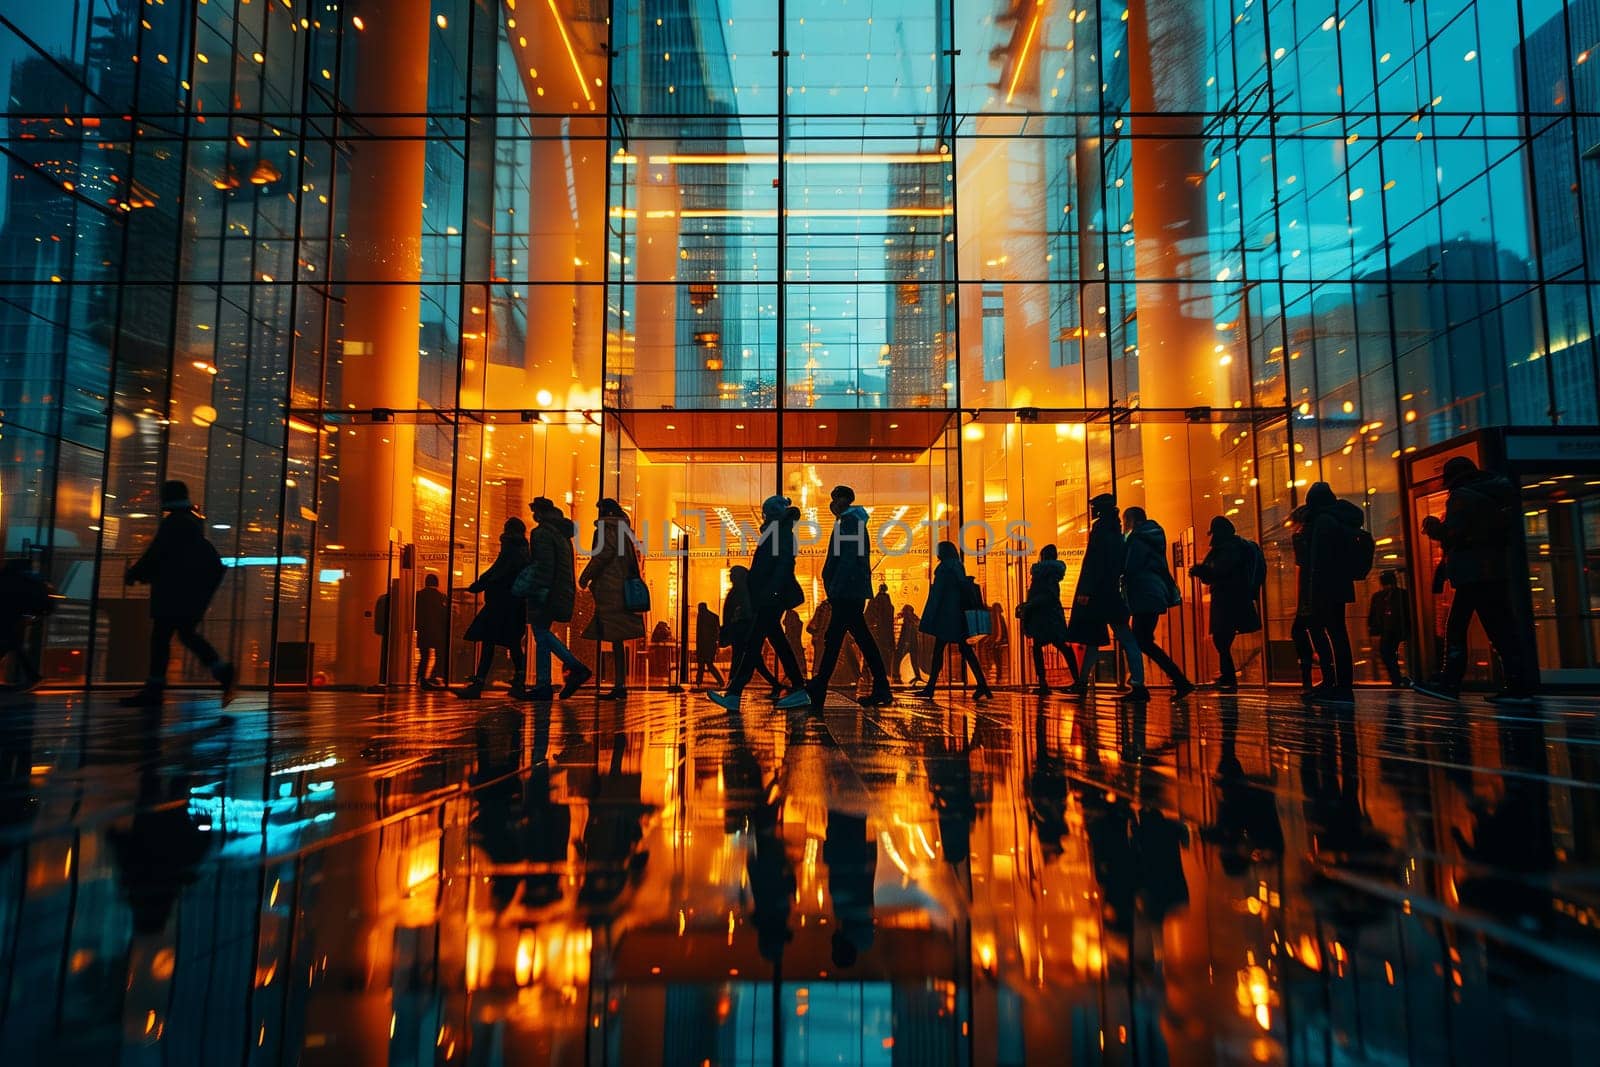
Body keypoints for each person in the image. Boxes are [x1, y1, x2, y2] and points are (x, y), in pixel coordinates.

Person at [1414, 457, 1537, 703]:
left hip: (1473, 573)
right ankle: (1518, 683)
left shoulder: (1462, 496)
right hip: (1494, 570)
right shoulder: (1495, 491)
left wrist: (1434, 527)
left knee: (1457, 627)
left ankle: (1450, 682)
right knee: (1501, 628)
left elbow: (1454, 534)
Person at [119, 480, 233, 707]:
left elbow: (156, 554)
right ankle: (221, 671)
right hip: (189, 592)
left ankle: (155, 689)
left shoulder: (174, 523)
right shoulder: (191, 522)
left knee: (161, 637)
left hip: (173, 592)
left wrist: (134, 573)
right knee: (184, 634)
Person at [785, 486, 893, 710]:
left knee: (837, 639)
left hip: (847, 591)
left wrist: (835, 588)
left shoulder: (850, 522)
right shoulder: (849, 521)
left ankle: (821, 686)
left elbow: (848, 557)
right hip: (849, 590)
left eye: (835, 498)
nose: (832, 503)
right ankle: (877, 686)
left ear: (844, 500)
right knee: (850, 638)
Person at [710, 496, 809, 712]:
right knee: (774, 644)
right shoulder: (777, 532)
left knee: (753, 644)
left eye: (766, 512)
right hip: (769, 597)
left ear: (772, 513)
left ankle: (734, 694)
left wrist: (770, 592)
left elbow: (783, 565)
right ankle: (799, 688)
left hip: (769, 598)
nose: (764, 516)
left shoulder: (779, 533)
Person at [1066, 494, 1147, 700]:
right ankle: (1083, 682)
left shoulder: (1103, 531)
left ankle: (1137, 685)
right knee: (1110, 637)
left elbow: (1094, 564)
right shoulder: (1114, 531)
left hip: (1102, 595)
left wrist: (1086, 591)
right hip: (1108, 593)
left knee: (1120, 637)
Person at [1294, 481, 1365, 703]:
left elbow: (1316, 560)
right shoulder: (1338, 518)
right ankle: (1341, 683)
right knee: (1337, 633)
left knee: (1320, 630)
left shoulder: (1322, 522)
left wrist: (1310, 591)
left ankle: (1332, 681)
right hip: (1339, 585)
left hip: (1322, 587)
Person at [1121, 506, 1195, 698]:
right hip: (1154, 592)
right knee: (1143, 640)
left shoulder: (1137, 539)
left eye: (1125, 521)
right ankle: (1178, 681)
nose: (1124, 525)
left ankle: (1178, 681)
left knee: (1141, 640)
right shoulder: (1153, 537)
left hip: (1143, 592)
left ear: (1132, 520)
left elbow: (1130, 566)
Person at [524, 497, 591, 701]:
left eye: (535, 511)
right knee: (541, 635)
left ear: (541, 513)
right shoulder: (562, 535)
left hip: (547, 591)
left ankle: (576, 667)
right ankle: (543, 683)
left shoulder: (542, 533)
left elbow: (543, 566)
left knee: (541, 632)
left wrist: (538, 590)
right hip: (560, 591)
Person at [580, 498, 646, 700]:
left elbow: (602, 554)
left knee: (611, 634)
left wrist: (586, 575)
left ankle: (615, 683)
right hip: (621, 586)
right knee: (615, 637)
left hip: (610, 587)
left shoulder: (606, 528)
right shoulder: (626, 531)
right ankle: (619, 683)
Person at [457, 517, 530, 700]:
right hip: (516, 604)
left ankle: (479, 683)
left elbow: (497, 571)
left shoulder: (509, 547)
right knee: (513, 644)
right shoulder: (524, 550)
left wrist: (480, 583)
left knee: (488, 642)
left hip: (499, 603)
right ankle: (519, 681)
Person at [913, 541, 992, 700]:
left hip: (946, 616)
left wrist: (930, 615)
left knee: (938, 652)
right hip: (958, 615)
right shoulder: (958, 566)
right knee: (965, 650)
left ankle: (930, 688)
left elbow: (938, 595)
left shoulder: (944, 569)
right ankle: (983, 685)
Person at [1191, 516, 1263, 692]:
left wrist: (1202, 571)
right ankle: (1227, 676)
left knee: (1221, 638)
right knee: (1223, 638)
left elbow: (1219, 571)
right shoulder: (1237, 546)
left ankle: (1228, 676)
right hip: (1234, 598)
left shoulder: (1228, 549)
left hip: (1227, 599)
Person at [1020, 544, 1081, 696]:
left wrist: (1028, 605)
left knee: (1038, 647)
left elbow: (1041, 595)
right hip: (1053, 615)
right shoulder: (1054, 574)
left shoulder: (1041, 574)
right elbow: (1051, 595)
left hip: (1041, 616)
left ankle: (1043, 683)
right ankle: (1078, 679)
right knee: (1062, 646)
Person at [720, 565, 786, 692]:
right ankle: (774, 685)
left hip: (742, 632)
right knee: (753, 660)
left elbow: (745, 611)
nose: (730, 577)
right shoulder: (740, 590)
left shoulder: (742, 590)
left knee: (741, 659)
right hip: (740, 631)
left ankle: (733, 687)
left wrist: (737, 625)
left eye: (733, 574)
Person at [0, 559, 54, 691]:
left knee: (11, 646)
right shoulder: (25, 580)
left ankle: (34, 677)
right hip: (15, 619)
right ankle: (33, 677)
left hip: (7, 619)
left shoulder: (7, 579)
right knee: (13, 646)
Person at [1367, 570, 1411, 687]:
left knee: (1387, 652)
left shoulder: (1384, 596)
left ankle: (1396, 678)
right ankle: (1396, 678)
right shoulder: (1399, 594)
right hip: (1389, 628)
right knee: (1387, 652)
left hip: (1392, 628)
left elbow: (1373, 614)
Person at [413, 574, 449, 688]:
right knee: (440, 656)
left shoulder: (418, 595)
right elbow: (445, 616)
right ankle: (434, 677)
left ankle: (419, 678)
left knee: (424, 656)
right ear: (437, 583)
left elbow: (416, 613)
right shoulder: (442, 597)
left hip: (423, 631)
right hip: (439, 632)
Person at [867, 583, 895, 678]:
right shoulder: (888, 603)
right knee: (885, 654)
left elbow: (868, 616)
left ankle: (873, 674)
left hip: (877, 633)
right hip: (886, 634)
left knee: (875, 652)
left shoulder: (875, 601)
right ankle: (885, 673)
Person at [694, 602, 725, 688]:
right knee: (709, 665)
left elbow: (699, 635)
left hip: (703, 646)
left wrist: (698, 648)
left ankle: (698, 683)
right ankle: (720, 681)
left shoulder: (701, 617)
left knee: (702, 666)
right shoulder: (714, 617)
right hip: (711, 646)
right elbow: (717, 632)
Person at [894, 604, 923, 684]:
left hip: (906, 644)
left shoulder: (908, 621)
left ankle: (896, 675)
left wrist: (905, 643)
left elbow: (907, 634)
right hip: (913, 644)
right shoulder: (913, 620)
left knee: (898, 658)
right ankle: (917, 676)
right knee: (914, 661)